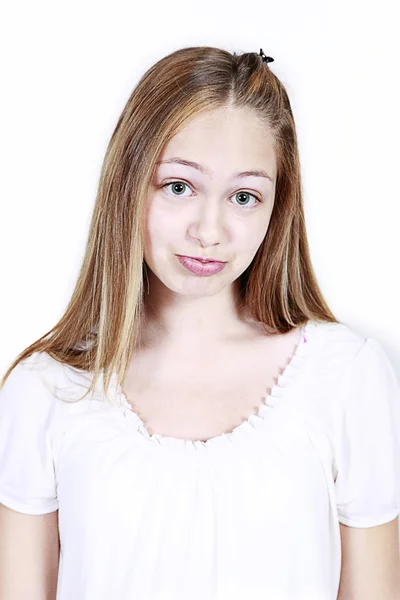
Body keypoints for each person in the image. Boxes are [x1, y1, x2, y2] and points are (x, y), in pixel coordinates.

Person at [0, 46, 399, 600]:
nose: (209, 231)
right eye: (179, 186)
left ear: (276, 207)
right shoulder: (46, 389)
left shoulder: (348, 376)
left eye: (243, 196)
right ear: (128, 183)